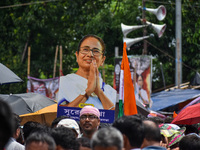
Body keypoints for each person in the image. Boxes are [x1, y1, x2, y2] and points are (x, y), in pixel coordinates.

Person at [58, 34, 116, 110]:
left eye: (96, 51)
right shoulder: (62, 83)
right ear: (77, 55)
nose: (90, 55)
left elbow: (112, 117)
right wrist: (87, 92)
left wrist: (99, 92)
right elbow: (61, 112)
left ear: (102, 60)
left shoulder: (110, 91)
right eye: (85, 50)